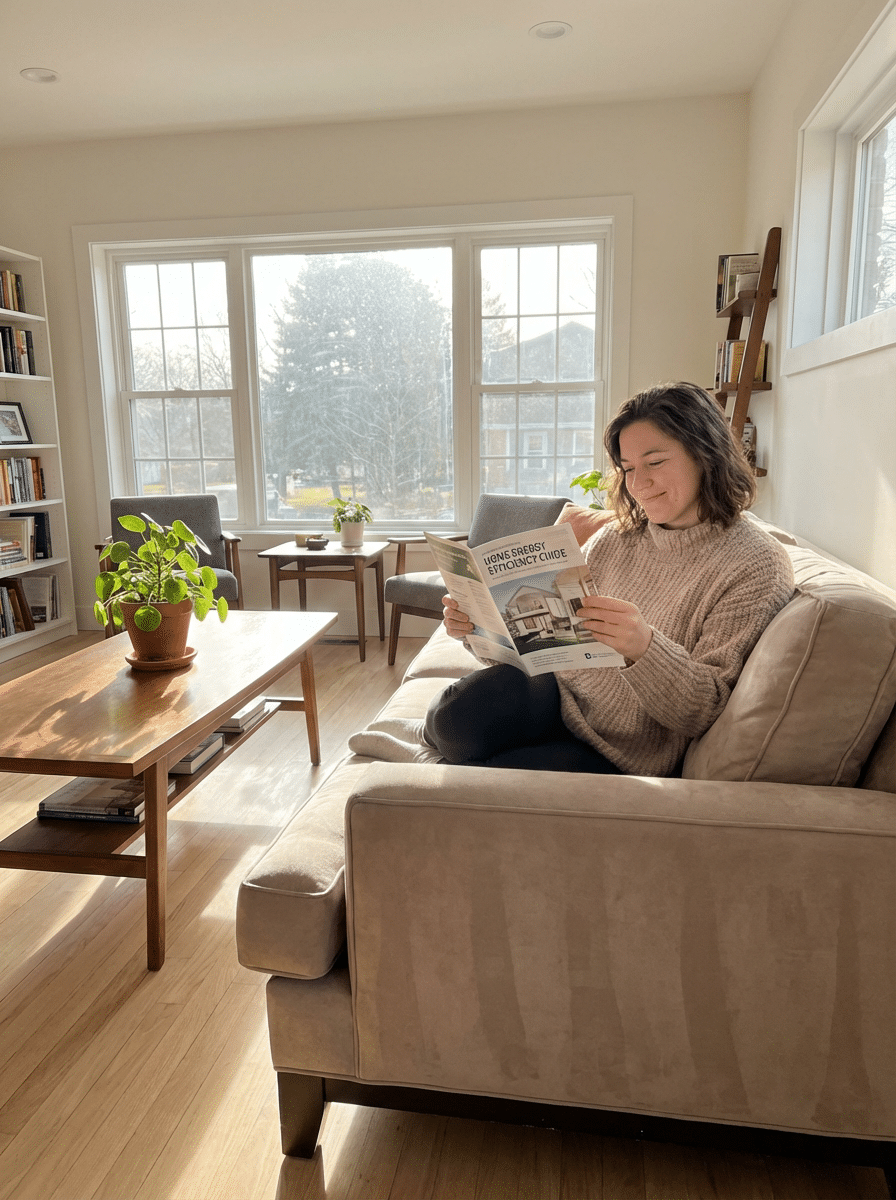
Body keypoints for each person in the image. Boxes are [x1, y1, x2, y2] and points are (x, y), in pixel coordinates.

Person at [424, 382, 795, 776]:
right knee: (452, 720)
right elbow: (543, 642)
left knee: (485, 778)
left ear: (706, 454)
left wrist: (644, 647)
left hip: (625, 747)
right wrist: (477, 627)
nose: (638, 484)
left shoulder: (756, 564)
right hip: (559, 695)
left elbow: (705, 709)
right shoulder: (617, 536)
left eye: (654, 463)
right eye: (628, 468)